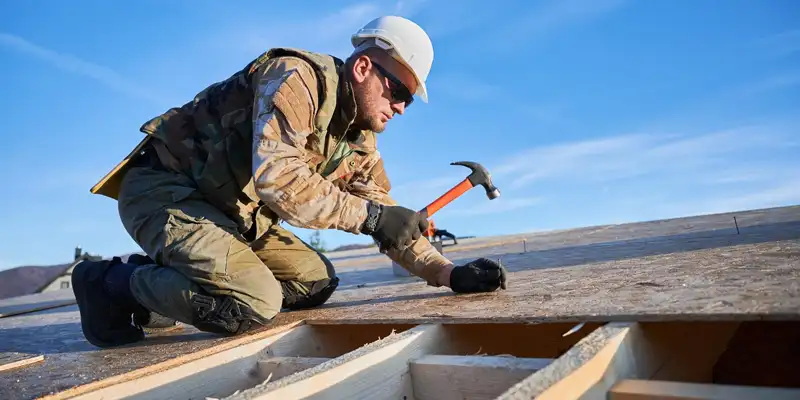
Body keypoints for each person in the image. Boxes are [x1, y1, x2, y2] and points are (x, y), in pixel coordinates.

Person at [72, 15, 507, 349]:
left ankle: (167, 285)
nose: (402, 108)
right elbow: (279, 180)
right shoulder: (296, 78)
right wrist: (372, 218)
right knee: (254, 303)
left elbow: (386, 215)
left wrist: (447, 274)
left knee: (314, 282)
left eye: (409, 100)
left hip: (228, 216)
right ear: (362, 68)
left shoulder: (358, 140)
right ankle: (108, 284)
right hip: (166, 192)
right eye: (399, 92)